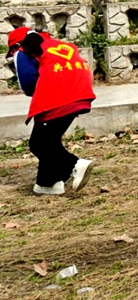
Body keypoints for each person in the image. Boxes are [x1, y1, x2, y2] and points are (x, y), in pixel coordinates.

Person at [8, 27, 96, 196]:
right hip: (81, 93)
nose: (13, 55)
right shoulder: (60, 45)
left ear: (17, 45)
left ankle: (75, 165)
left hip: (57, 97)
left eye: (11, 51)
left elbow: (27, 83)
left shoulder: (24, 51)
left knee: (39, 144)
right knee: (49, 141)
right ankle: (48, 183)